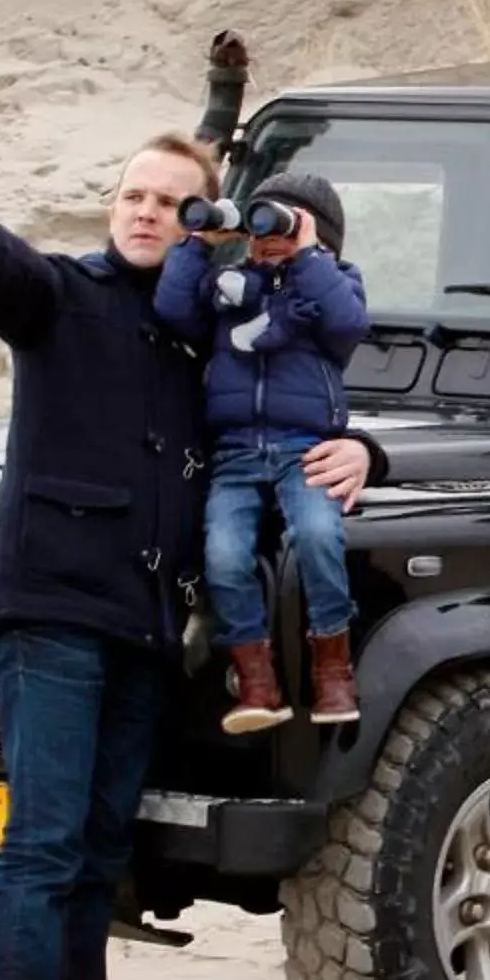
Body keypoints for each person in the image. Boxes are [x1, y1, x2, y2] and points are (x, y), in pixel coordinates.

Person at [0, 143, 381, 980]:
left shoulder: (206, 322)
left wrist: (369, 448)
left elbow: (294, 391)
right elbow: (3, 266)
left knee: (99, 852)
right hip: (55, 609)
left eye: (171, 201)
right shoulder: (62, 297)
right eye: (132, 196)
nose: (147, 214)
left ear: (210, 219)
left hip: (146, 622)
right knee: (44, 845)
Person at [153, 174, 369, 733]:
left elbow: (348, 325)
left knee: (320, 538)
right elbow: (174, 310)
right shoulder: (230, 292)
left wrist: (307, 255)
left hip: (306, 449)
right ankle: (256, 681)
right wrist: (197, 241)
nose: (269, 237)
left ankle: (333, 669)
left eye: (283, 223)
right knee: (223, 557)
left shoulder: (333, 283)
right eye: (261, 226)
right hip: (235, 451)